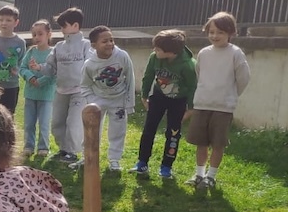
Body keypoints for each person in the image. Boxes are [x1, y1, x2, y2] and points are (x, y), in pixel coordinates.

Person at [184, 11, 251, 190]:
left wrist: (230, 95)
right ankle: (199, 174)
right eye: (211, 32)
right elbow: (200, 75)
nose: (215, 36)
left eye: (220, 32)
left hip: (223, 107)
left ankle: (211, 176)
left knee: (218, 143)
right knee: (201, 142)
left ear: (230, 33)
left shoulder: (235, 54)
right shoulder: (204, 53)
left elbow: (243, 78)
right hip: (202, 104)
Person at [130, 29, 197, 179]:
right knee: (149, 129)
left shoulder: (187, 65)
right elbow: (148, 76)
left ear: (171, 52)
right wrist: (144, 96)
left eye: (158, 49)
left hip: (178, 101)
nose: (154, 50)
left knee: (173, 133)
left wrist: (191, 108)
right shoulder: (155, 57)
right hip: (159, 97)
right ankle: (142, 162)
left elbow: (193, 87)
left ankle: (166, 166)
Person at [30, 7, 92, 167]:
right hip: (61, 90)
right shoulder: (59, 47)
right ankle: (63, 148)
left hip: (79, 91)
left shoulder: (86, 45)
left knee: (73, 122)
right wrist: (39, 68)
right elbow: (51, 68)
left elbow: (91, 65)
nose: (62, 30)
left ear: (75, 26)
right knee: (57, 122)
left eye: (64, 26)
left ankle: (72, 151)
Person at [80, 26, 135, 172]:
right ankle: (87, 157)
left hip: (118, 100)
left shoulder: (122, 56)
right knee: (91, 129)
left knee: (118, 131)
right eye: (105, 41)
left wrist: (129, 103)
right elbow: (84, 85)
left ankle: (114, 161)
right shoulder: (89, 64)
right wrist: (92, 102)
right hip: (98, 99)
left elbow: (130, 79)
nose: (110, 44)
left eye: (111, 40)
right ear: (94, 45)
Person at [18, 19, 56, 157]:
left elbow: (54, 72)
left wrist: (40, 81)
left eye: (40, 34)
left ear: (48, 34)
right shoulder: (31, 52)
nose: (37, 37)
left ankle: (43, 147)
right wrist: (30, 77)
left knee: (44, 123)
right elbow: (22, 68)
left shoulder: (53, 53)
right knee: (29, 123)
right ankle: (28, 146)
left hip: (46, 95)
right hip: (30, 94)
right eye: (34, 34)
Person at [0, 5, 26, 114]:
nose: (4, 23)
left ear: (16, 22)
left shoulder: (20, 42)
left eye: (8, 20)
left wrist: (16, 70)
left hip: (11, 86)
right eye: (1, 20)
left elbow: (21, 60)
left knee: (8, 115)